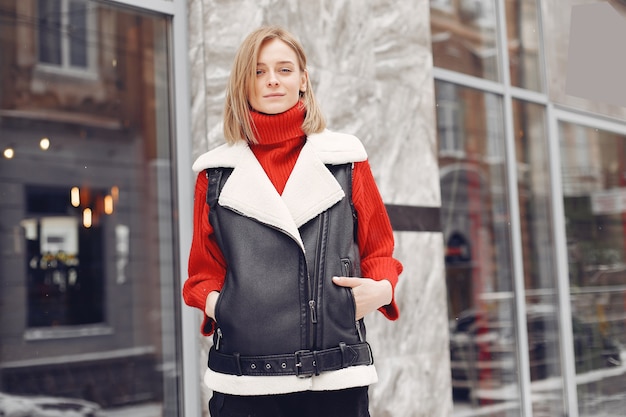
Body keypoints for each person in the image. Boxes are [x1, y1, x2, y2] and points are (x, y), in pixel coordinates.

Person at [183, 25, 403, 417]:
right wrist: (227, 306)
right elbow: (202, 274)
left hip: (334, 376)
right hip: (243, 381)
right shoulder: (215, 173)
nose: (272, 81)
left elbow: (379, 247)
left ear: (303, 79)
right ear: (243, 83)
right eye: (258, 71)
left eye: (284, 69)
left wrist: (380, 291)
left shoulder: (346, 160)